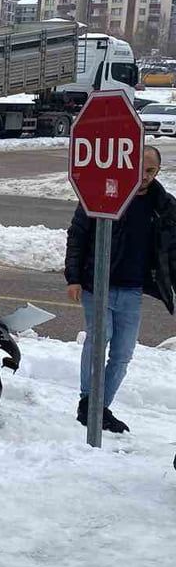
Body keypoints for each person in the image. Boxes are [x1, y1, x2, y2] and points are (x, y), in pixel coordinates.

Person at [65, 145, 176, 433]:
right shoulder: (104, 193)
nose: (144, 176)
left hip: (132, 290)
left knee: (123, 353)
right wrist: (73, 277)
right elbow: (78, 235)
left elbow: (171, 251)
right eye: (140, 169)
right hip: (96, 284)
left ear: (157, 172)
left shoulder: (163, 206)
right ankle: (87, 403)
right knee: (99, 340)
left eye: (150, 171)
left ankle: (99, 408)